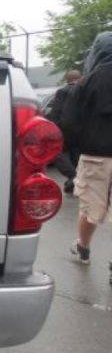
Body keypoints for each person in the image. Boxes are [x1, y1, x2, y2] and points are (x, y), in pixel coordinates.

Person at [60, 32, 112, 279]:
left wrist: (74, 148)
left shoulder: (86, 83)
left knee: (90, 209)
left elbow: (69, 124)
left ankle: (84, 249)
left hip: (95, 157)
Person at [46, 69, 81, 193]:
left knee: (57, 153)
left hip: (64, 129)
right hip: (82, 130)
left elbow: (56, 111)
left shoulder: (62, 91)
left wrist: (53, 127)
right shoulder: (84, 90)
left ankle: (73, 176)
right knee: (76, 155)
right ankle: (75, 180)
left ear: (68, 80)